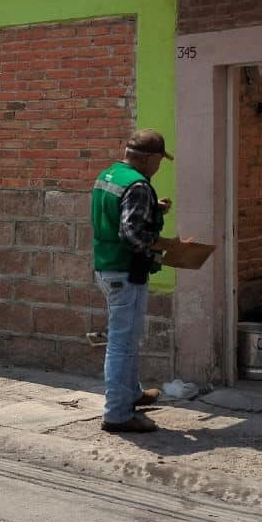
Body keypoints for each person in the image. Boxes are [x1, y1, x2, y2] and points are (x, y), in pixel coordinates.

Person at [90, 130, 172, 434]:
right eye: (160, 161)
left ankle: (132, 394)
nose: (160, 167)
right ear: (149, 159)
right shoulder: (137, 185)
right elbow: (132, 234)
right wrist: (166, 246)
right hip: (125, 272)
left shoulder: (110, 174)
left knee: (128, 338)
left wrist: (155, 209)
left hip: (108, 267)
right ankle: (117, 413)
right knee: (122, 343)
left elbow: (115, 217)